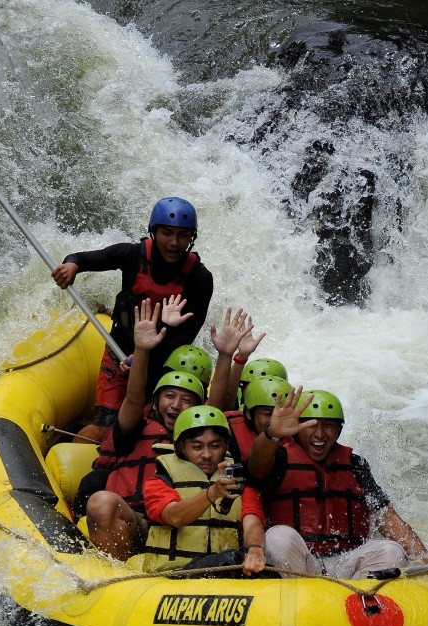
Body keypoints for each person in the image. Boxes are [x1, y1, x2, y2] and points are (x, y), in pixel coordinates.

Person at [243, 387, 428, 580]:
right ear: (297, 429)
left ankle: (358, 600)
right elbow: (255, 468)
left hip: (347, 562)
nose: (319, 434)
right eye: (312, 425)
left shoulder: (356, 465)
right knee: (278, 538)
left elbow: (386, 517)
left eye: (328, 426)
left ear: (339, 430)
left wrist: (424, 556)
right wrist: (271, 434)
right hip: (302, 561)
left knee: (392, 551)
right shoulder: (278, 458)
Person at [52, 197, 213, 436]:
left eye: (183, 235)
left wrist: (141, 360)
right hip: (119, 353)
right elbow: (85, 259)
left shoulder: (200, 278)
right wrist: (71, 265)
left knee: (149, 429)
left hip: (161, 362)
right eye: (167, 233)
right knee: (108, 425)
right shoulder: (131, 254)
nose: (174, 242)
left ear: (192, 237)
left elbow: (184, 336)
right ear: (153, 231)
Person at [84, 300, 204, 560]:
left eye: (186, 400)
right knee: (100, 500)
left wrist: (230, 357)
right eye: (169, 396)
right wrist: (141, 350)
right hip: (136, 520)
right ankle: (115, 579)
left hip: (184, 524)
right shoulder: (136, 427)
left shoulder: (205, 439)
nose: (176, 405)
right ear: (157, 401)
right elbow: (133, 398)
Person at [142, 406, 265, 576]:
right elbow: (174, 516)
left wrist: (255, 549)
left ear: (226, 446)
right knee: (231, 559)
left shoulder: (239, 481)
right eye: (197, 447)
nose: (207, 454)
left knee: (258, 570)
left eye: (215, 446)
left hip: (224, 566)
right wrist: (213, 492)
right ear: (182, 447)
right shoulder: (160, 480)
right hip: (174, 572)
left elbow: (252, 520)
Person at [226, 374, 292, 464]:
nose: (276, 420)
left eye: (282, 414)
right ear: (249, 414)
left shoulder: (298, 433)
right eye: (268, 414)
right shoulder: (228, 427)